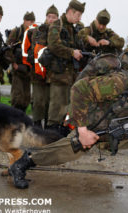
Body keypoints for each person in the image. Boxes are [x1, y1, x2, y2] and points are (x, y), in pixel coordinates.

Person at [9, 34, 128, 213]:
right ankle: (23, 162)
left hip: (121, 130)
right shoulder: (121, 81)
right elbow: (79, 90)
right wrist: (82, 132)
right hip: (95, 128)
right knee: (65, 151)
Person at [45, 0, 85, 134]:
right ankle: (50, 136)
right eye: (78, 15)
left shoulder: (73, 28)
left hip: (70, 75)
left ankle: (61, 134)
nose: (79, 18)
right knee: (56, 107)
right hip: (58, 74)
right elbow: (53, 45)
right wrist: (71, 52)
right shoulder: (57, 25)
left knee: (67, 107)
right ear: (70, 12)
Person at [30, 5, 59, 128]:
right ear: (46, 17)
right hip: (38, 71)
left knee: (49, 102)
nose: (51, 19)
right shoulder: (38, 30)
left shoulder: (59, 31)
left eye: (54, 17)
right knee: (38, 101)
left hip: (52, 74)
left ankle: (48, 127)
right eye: (49, 16)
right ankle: (36, 126)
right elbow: (35, 48)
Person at [7, 11, 36, 112]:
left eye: (32, 21)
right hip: (18, 69)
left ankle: (21, 119)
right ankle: (14, 120)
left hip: (28, 70)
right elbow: (8, 49)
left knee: (26, 98)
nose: (31, 23)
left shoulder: (34, 33)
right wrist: (13, 64)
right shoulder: (17, 31)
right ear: (24, 21)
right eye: (28, 20)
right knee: (17, 98)